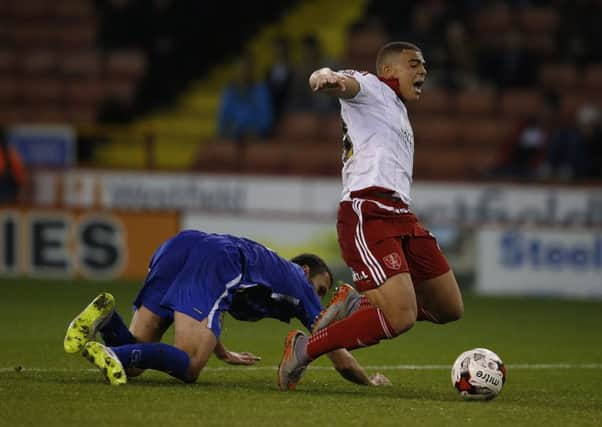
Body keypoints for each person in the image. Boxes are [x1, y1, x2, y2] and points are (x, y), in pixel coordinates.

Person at [277, 41, 464, 390]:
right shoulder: (372, 88)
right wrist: (325, 76)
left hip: (402, 215)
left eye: (424, 65)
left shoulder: (397, 109)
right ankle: (304, 349)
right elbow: (343, 82)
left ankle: (357, 302)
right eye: (414, 64)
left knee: (450, 307)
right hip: (367, 212)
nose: (422, 70)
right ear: (389, 70)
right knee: (402, 316)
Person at [64, 229, 390, 387]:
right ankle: (113, 355)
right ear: (306, 272)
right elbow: (334, 348)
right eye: (320, 288)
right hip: (219, 257)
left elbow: (210, 303)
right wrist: (369, 381)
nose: (317, 300)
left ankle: (107, 319)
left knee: (137, 360)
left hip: (182, 246)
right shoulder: (298, 282)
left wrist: (221, 351)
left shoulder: (266, 275)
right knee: (190, 366)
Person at [0, 129, 27, 204]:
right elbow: (20, 176)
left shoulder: (10, 153)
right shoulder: (10, 152)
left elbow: (20, 175)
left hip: (7, 194)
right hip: (9, 195)